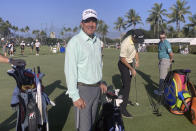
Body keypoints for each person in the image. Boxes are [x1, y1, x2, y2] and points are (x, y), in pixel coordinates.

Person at [64, 9, 107, 131]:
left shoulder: (97, 42)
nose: (91, 24)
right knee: (83, 127)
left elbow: (98, 64)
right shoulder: (74, 43)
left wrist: (101, 81)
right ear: (82, 23)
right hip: (82, 90)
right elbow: (70, 71)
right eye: (87, 21)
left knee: (91, 124)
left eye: (94, 21)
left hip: (96, 89)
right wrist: (75, 96)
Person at [118, 29, 144, 118]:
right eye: (138, 40)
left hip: (129, 63)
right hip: (123, 64)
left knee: (126, 84)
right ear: (133, 36)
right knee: (128, 86)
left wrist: (137, 60)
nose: (138, 42)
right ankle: (123, 110)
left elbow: (136, 51)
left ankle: (121, 96)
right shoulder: (125, 43)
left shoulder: (136, 41)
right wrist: (131, 69)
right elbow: (122, 59)